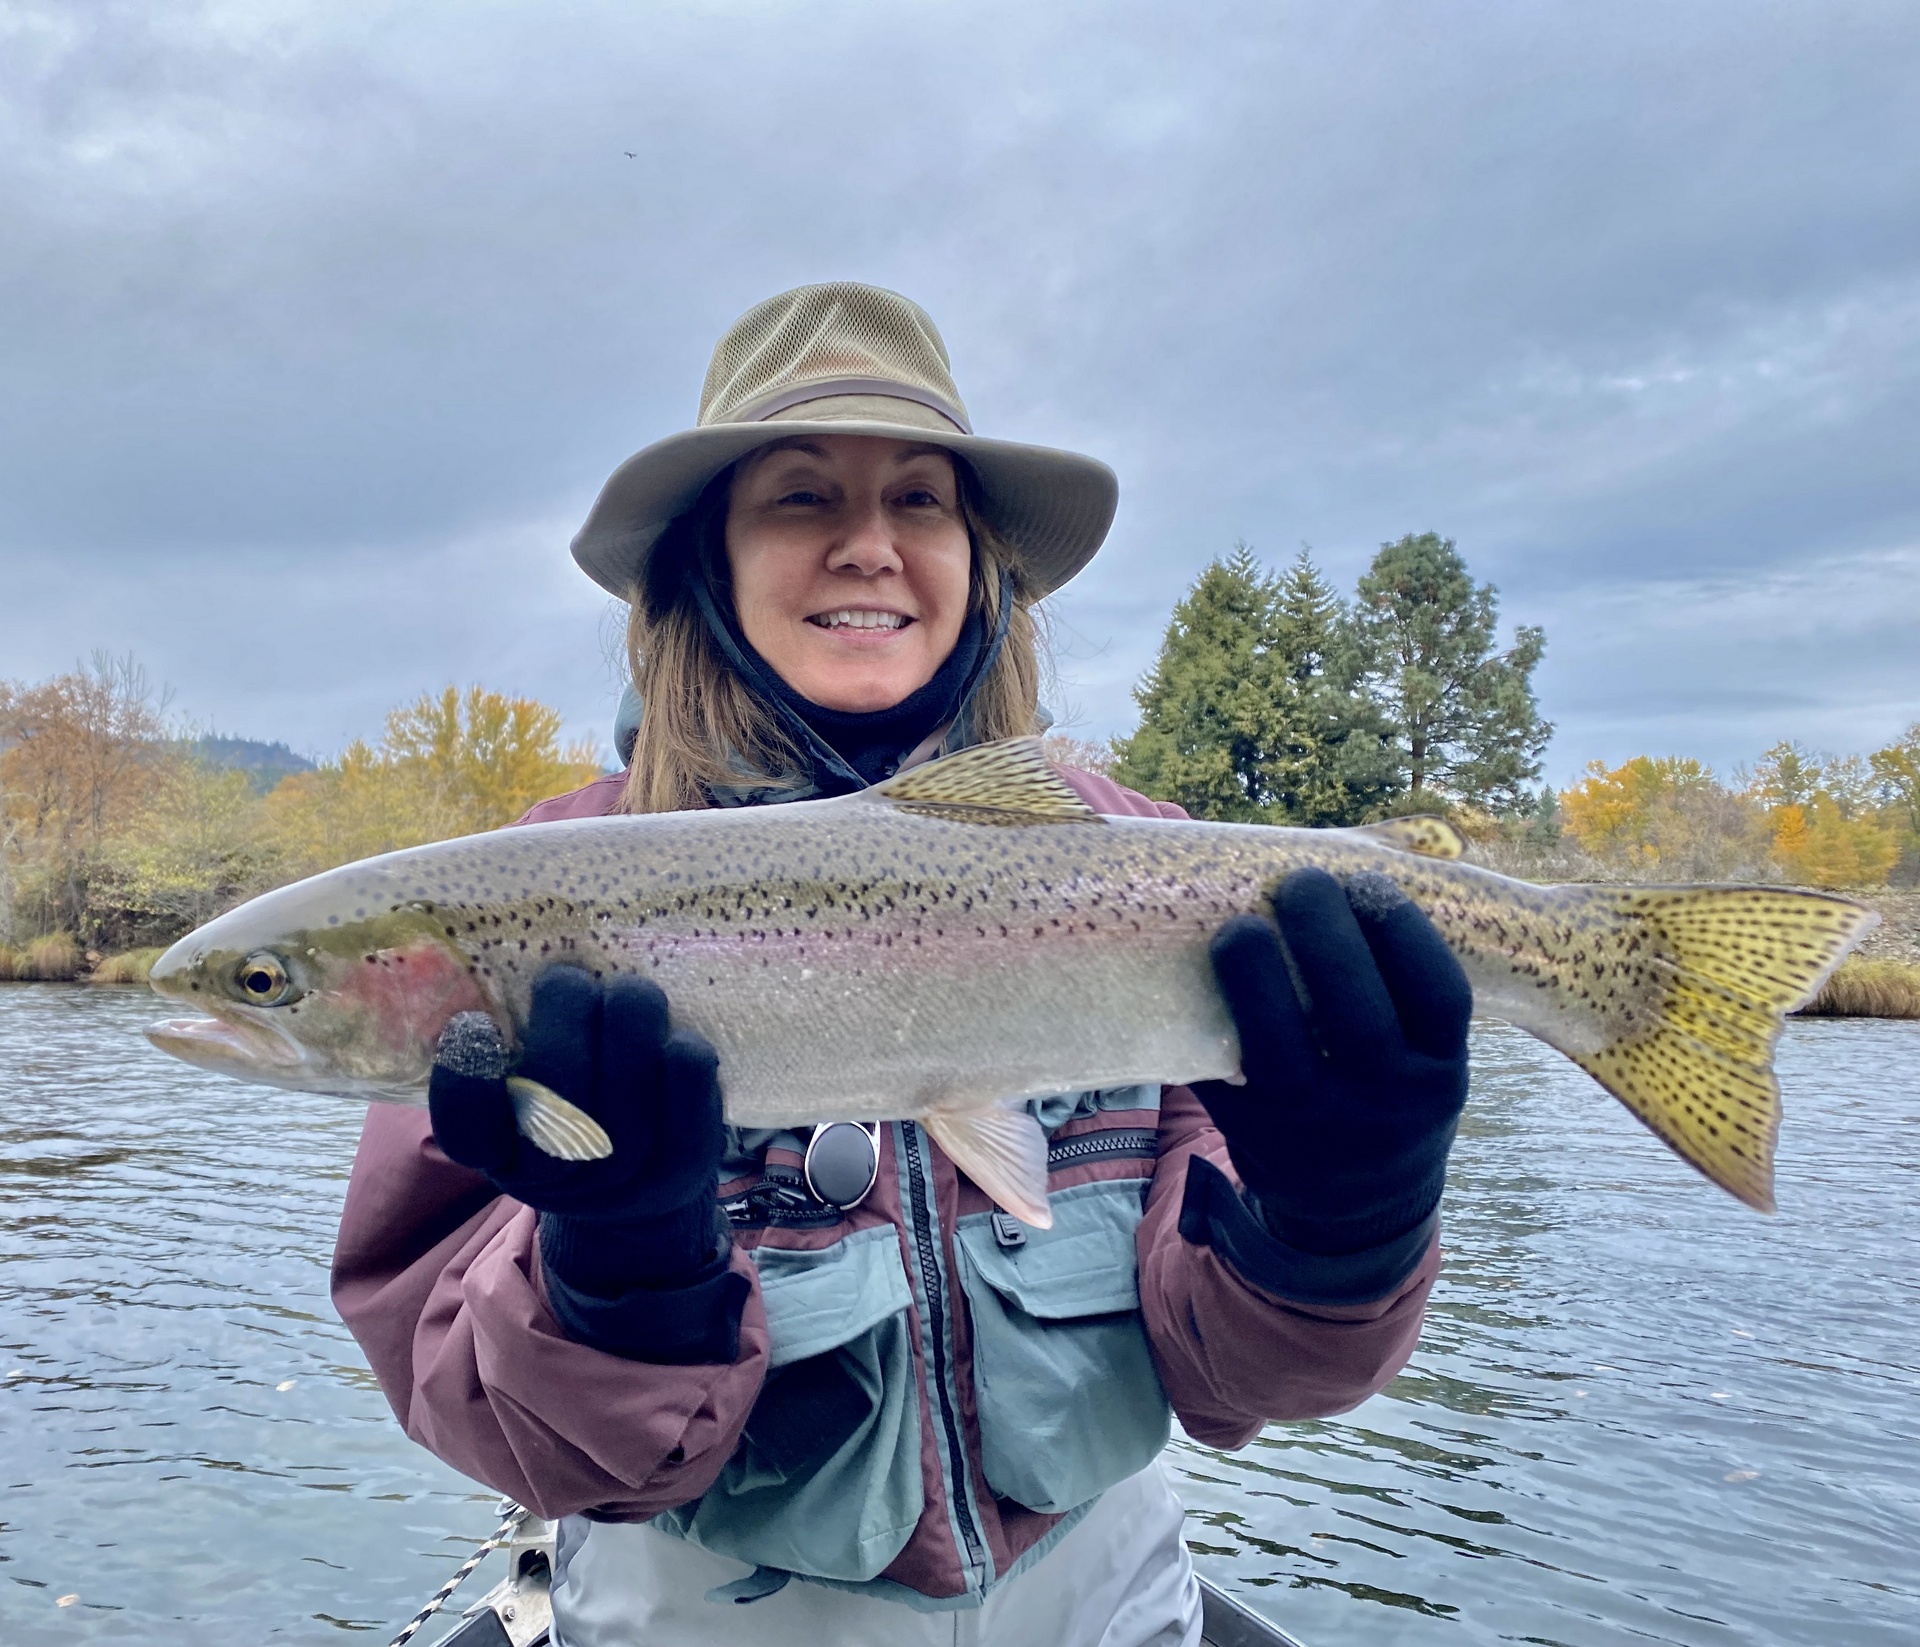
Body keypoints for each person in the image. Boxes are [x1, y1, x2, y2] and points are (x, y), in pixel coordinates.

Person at [332, 283, 1470, 1646]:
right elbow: (484, 1410)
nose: (870, 545)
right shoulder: (534, 899)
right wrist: (618, 1277)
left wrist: (1341, 1227)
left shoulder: (1147, 867)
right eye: (802, 499)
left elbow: (1251, 1380)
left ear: (977, 560)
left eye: (920, 501)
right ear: (708, 563)